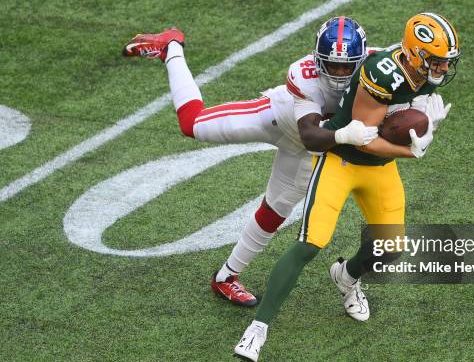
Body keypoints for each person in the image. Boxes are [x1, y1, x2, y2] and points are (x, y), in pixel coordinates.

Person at [234, 12, 460, 362]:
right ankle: (257, 329)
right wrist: (410, 150)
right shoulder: (381, 73)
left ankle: (347, 276)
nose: (442, 69)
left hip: (379, 170)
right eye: (437, 61)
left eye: (446, 62)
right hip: (341, 159)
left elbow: (405, 122)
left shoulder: (422, 74)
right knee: (309, 245)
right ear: (416, 55)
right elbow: (366, 141)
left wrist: (425, 126)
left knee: (393, 248)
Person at [122, 17, 379, 306]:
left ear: (361, 58)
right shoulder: (303, 74)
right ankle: (171, 47)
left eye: (347, 66)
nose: (340, 73)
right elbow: (310, 134)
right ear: (318, 59)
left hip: (310, 152)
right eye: (332, 65)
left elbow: (407, 67)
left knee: (276, 210)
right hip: (275, 120)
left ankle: (225, 277)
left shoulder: (377, 68)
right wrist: (344, 134)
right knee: (191, 124)